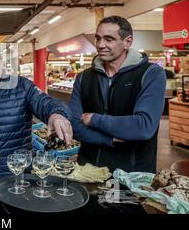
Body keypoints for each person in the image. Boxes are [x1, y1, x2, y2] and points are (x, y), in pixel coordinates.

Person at [0, 40, 73, 209]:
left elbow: (45, 103)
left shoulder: (22, 87)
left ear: (2, 62)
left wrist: (57, 114)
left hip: (18, 185)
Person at [69, 16, 166, 173]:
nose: (101, 45)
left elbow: (143, 126)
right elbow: (73, 124)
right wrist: (108, 139)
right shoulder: (84, 77)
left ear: (128, 42)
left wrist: (93, 119)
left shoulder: (151, 74)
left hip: (133, 175)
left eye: (109, 39)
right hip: (88, 170)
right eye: (98, 39)